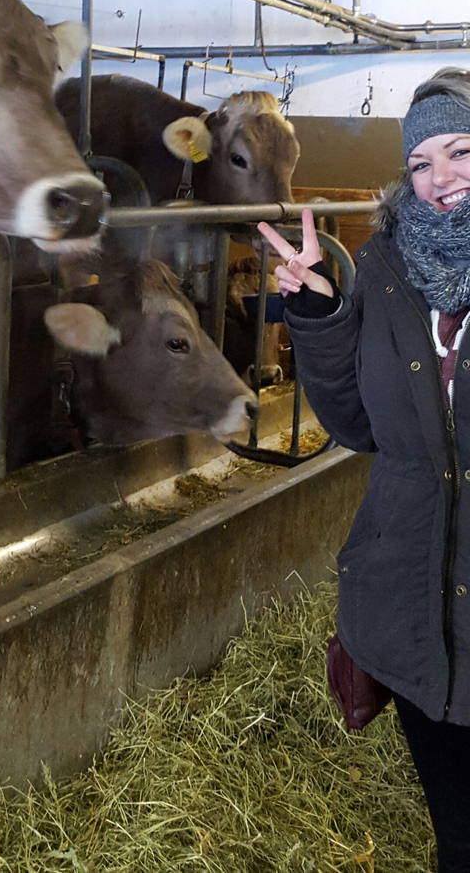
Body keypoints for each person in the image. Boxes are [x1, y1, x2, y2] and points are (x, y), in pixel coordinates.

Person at [258, 67, 470, 873]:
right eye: (421, 163)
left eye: (459, 151)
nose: (439, 177)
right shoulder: (384, 266)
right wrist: (316, 309)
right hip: (410, 605)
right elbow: (354, 424)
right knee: (459, 837)